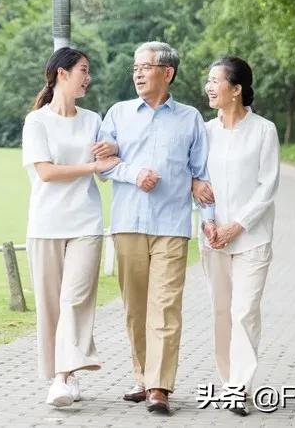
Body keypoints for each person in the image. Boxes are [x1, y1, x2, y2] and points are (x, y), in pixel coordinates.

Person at [98, 41, 211, 414]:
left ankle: (160, 387)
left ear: (168, 72)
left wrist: (200, 196)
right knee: (135, 308)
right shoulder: (117, 114)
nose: (138, 74)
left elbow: (202, 172)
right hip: (128, 222)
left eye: (145, 67)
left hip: (172, 225)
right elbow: (103, 161)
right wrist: (134, 173)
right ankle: (144, 377)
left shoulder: (191, 118)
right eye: (135, 68)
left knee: (164, 307)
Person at [21, 47, 120, 407]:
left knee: (74, 300)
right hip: (46, 224)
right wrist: (91, 167)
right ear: (62, 73)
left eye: (88, 71)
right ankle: (66, 375)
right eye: (83, 70)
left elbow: (107, 168)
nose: (88, 77)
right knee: (51, 306)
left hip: (86, 223)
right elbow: (45, 172)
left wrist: (113, 152)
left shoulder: (93, 119)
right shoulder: (37, 122)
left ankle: (62, 378)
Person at [198, 57, 280, 416]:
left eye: (217, 81)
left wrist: (238, 225)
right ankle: (230, 380)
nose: (210, 87)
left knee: (244, 311)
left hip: (252, 238)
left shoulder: (264, 130)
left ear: (237, 90)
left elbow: (267, 187)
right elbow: (199, 183)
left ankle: (237, 387)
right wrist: (209, 222)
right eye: (209, 81)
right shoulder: (204, 131)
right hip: (213, 238)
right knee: (221, 312)